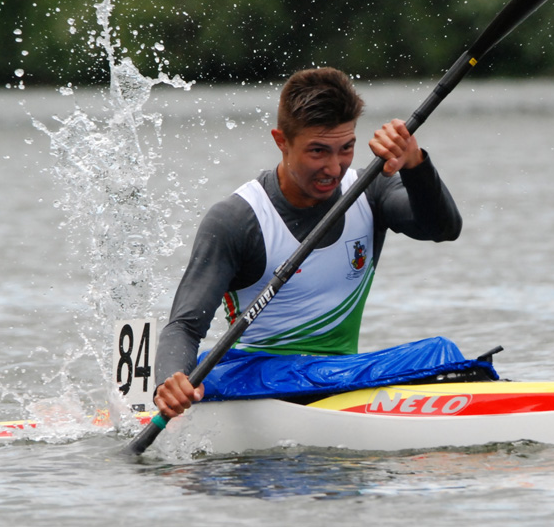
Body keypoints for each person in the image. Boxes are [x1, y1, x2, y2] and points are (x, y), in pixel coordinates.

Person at [154, 67, 462, 419]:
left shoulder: (369, 190)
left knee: (442, 354)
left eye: (346, 148)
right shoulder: (238, 219)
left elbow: (443, 228)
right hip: (252, 378)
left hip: (339, 377)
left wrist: (415, 164)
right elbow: (185, 326)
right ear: (281, 141)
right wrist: (171, 381)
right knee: (440, 356)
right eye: (318, 151)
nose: (334, 167)